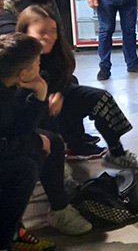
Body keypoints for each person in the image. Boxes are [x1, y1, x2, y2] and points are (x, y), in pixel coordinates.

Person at [16, 6, 138, 171]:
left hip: (59, 94)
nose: (49, 37)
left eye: (53, 31)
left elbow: (63, 78)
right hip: (30, 106)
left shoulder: (58, 50)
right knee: (48, 116)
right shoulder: (19, 57)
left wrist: (59, 94)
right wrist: (43, 98)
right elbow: (16, 99)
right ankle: (57, 166)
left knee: (101, 99)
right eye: (41, 32)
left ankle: (116, 153)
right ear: (25, 32)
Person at [0, 33, 92, 246]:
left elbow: (19, 127)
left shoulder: (10, 83)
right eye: (37, 63)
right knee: (26, 168)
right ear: (24, 73)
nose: (40, 66)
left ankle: (57, 211)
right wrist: (35, 141)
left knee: (52, 142)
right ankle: (7, 239)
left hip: (6, 142)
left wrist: (40, 94)